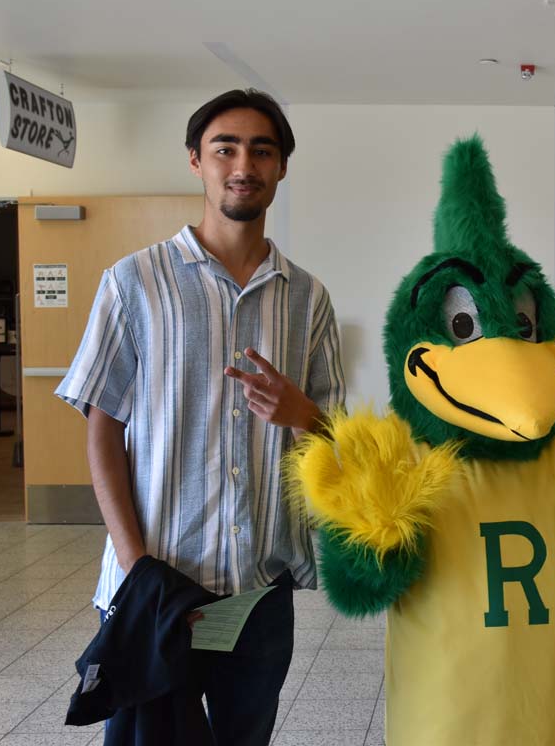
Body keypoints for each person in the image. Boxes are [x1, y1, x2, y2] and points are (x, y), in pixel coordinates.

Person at [57, 88, 345, 745]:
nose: (244, 163)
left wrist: (303, 413)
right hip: (160, 590)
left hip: (257, 594)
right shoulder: (135, 282)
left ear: (281, 168)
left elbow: (336, 433)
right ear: (197, 162)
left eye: (262, 150)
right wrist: (137, 571)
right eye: (226, 148)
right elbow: (101, 425)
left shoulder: (308, 299)